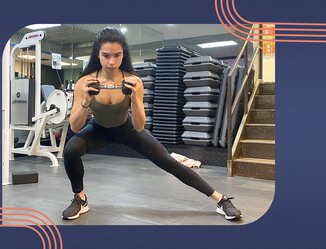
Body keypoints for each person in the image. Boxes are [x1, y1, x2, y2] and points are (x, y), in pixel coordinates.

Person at [62, 26, 242, 221]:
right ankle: (80, 199)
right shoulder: (86, 82)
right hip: (98, 129)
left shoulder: (133, 81)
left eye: (117, 55)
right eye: (106, 55)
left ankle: (221, 200)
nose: (112, 62)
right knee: (71, 150)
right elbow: (74, 126)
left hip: (127, 128)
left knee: (167, 160)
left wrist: (136, 100)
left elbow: (139, 126)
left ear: (124, 54)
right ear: (98, 53)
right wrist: (86, 102)